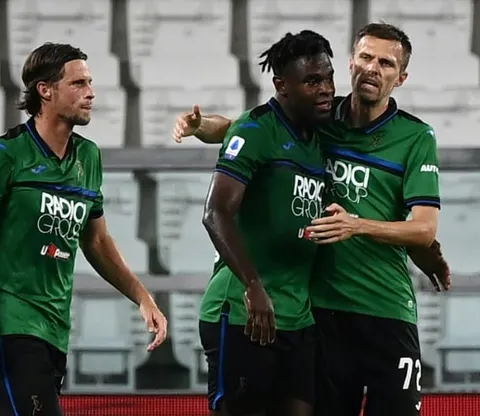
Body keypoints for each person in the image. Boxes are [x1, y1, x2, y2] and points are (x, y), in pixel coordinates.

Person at [173, 23, 451, 416]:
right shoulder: (319, 117)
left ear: (401, 77)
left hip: (382, 308)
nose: (373, 68)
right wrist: (201, 126)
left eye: (386, 63)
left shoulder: (413, 136)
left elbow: (423, 227)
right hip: (320, 312)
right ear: (352, 62)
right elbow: (247, 126)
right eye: (366, 57)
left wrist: (415, 248)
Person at [0, 42, 168, 416]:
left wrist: (142, 297)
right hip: (9, 321)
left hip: (56, 325)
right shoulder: (5, 154)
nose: (91, 92)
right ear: (45, 91)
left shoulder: (89, 157)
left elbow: (96, 240)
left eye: (90, 82)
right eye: (79, 83)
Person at [198, 30, 335, 416]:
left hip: (298, 316)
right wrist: (253, 286)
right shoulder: (257, 130)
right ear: (281, 85)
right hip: (245, 312)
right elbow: (215, 212)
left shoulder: (319, 135)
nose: (326, 89)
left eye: (328, 77)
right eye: (312, 81)